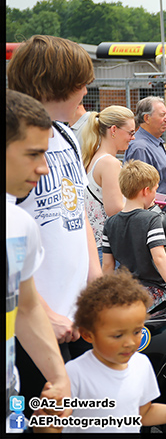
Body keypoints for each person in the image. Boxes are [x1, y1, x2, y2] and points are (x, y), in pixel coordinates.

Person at [7, 35, 101, 414]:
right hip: (34, 332)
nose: (86, 90)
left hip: (77, 321)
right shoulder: (14, 148)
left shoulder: (65, 136)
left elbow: (79, 220)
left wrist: (96, 288)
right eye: (80, 82)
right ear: (54, 84)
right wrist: (45, 314)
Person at [64, 271, 166, 433]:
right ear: (88, 334)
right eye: (118, 335)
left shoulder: (141, 364)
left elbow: (143, 413)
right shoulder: (74, 374)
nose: (130, 342)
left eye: (137, 331)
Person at [6, 90, 71, 432]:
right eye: (33, 154)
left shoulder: (19, 226)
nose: (44, 168)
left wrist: (58, 378)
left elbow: (27, 308)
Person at [101, 160, 166, 308]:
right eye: (155, 190)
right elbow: (159, 257)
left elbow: (107, 265)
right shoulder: (152, 219)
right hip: (149, 292)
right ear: (145, 191)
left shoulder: (110, 223)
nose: (155, 195)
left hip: (121, 291)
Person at [80, 105, 136, 265]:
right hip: (108, 247)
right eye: (131, 132)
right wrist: (141, 204)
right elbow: (115, 208)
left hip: (96, 244)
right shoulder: (109, 163)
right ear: (113, 130)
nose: (133, 138)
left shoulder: (94, 157)